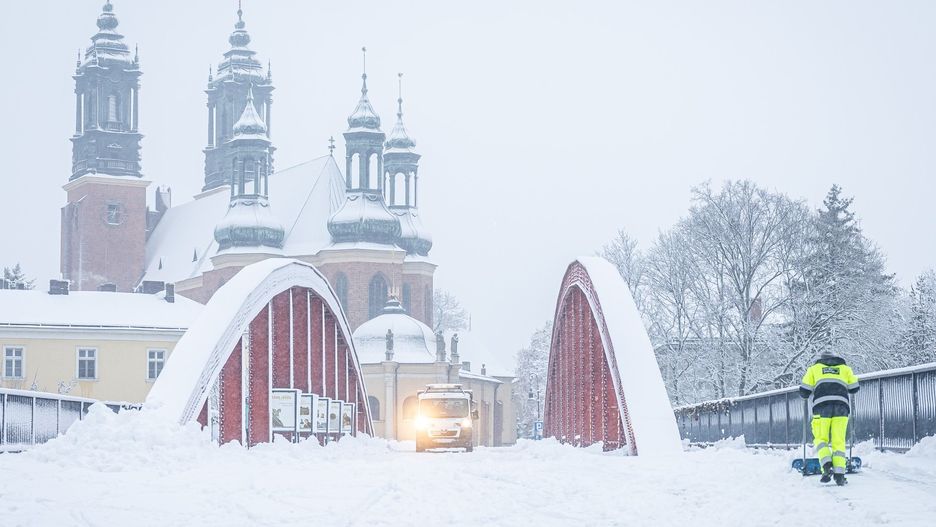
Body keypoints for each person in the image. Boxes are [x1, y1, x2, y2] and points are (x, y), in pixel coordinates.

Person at [799, 350, 860, 485]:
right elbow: (854, 387)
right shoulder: (845, 369)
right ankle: (839, 474)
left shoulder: (814, 369)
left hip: (821, 407)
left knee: (821, 439)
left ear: (821, 359)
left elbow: (804, 390)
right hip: (841, 406)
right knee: (839, 441)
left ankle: (826, 465)